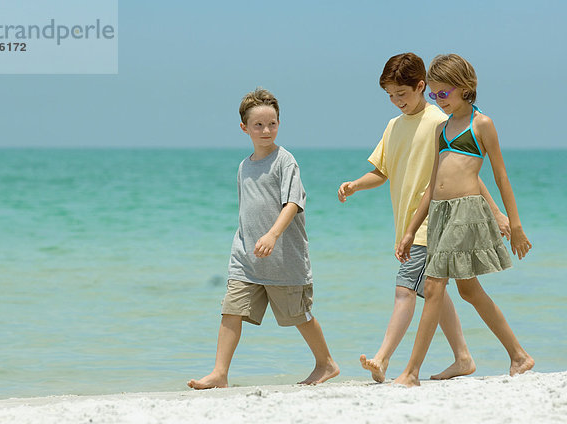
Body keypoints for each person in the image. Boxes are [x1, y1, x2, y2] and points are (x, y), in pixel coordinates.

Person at [338, 52, 509, 383]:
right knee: (436, 290)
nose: (396, 101)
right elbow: (382, 171)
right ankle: (463, 357)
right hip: (410, 223)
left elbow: (468, 173)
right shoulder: (393, 126)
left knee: (406, 288)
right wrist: (357, 185)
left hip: (438, 222)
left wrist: (497, 212)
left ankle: (383, 358)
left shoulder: (439, 121)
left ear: (421, 87)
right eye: (390, 96)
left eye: (401, 94)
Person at [394, 54, 535, 387]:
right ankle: (519, 355)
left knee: (432, 286)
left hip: (467, 213)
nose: (439, 100)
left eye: (445, 93)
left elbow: (501, 176)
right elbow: (431, 185)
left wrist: (514, 225)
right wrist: (410, 231)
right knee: (469, 290)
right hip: (441, 215)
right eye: (435, 94)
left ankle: (411, 372)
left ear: (465, 88)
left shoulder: (481, 124)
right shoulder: (441, 130)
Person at [188, 88, 339, 390]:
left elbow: (293, 203)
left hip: (285, 260)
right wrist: (246, 242)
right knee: (231, 310)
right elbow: (247, 208)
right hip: (246, 258)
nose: (266, 130)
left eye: (272, 123)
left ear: (279, 124)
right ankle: (220, 373)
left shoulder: (286, 161)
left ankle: (326, 364)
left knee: (299, 316)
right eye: (258, 125)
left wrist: (272, 234)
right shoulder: (244, 166)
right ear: (244, 128)